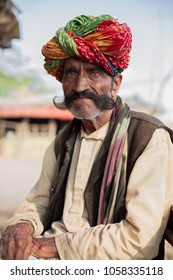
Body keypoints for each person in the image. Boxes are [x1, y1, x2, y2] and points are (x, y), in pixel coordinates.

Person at [0, 14, 173, 260]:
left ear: (115, 84)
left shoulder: (147, 138)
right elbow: (38, 203)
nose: (80, 85)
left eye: (94, 72)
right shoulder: (63, 141)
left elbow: (138, 239)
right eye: (71, 72)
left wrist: (51, 247)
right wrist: (22, 226)